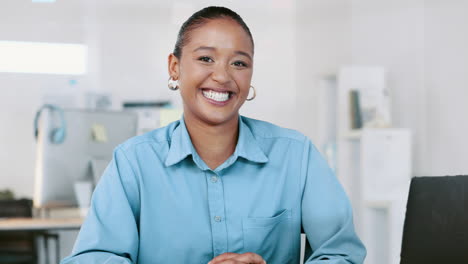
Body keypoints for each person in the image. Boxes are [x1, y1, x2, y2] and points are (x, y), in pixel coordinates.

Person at [61, 6, 366, 264]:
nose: (222, 76)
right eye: (206, 58)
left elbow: (341, 253)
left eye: (239, 63)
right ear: (175, 67)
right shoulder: (134, 163)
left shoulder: (296, 155)